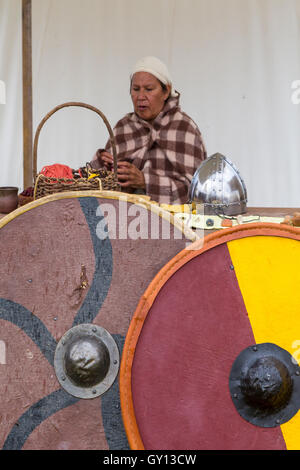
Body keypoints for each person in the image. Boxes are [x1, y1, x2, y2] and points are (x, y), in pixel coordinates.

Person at [91, 56, 207, 204]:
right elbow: (100, 186)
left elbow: (196, 191)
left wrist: (144, 181)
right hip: (124, 218)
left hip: (173, 222)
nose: (141, 97)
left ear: (166, 92)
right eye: (136, 89)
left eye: (149, 89)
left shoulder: (184, 128)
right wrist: (104, 163)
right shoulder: (123, 128)